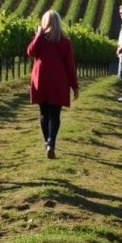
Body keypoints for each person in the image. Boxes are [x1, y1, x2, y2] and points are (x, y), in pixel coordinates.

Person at [27, 10, 79, 159]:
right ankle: (51, 142)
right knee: (55, 114)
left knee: (44, 113)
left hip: (41, 79)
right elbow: (70, 65)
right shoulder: (64, 41)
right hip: (58, 81)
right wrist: (74, 86)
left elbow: (30, 52)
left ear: (45, 22)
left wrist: (37, 36)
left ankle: (46, 141)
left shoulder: (40, 39)